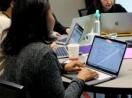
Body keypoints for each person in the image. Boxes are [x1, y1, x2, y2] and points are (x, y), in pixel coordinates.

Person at [1, 0, 98, 98]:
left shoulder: (13, 44)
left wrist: (63, 67)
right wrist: (80, 78)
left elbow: (35, 71)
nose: (53, 18)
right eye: (51, 13)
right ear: (41, 20)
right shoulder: (43, 53)